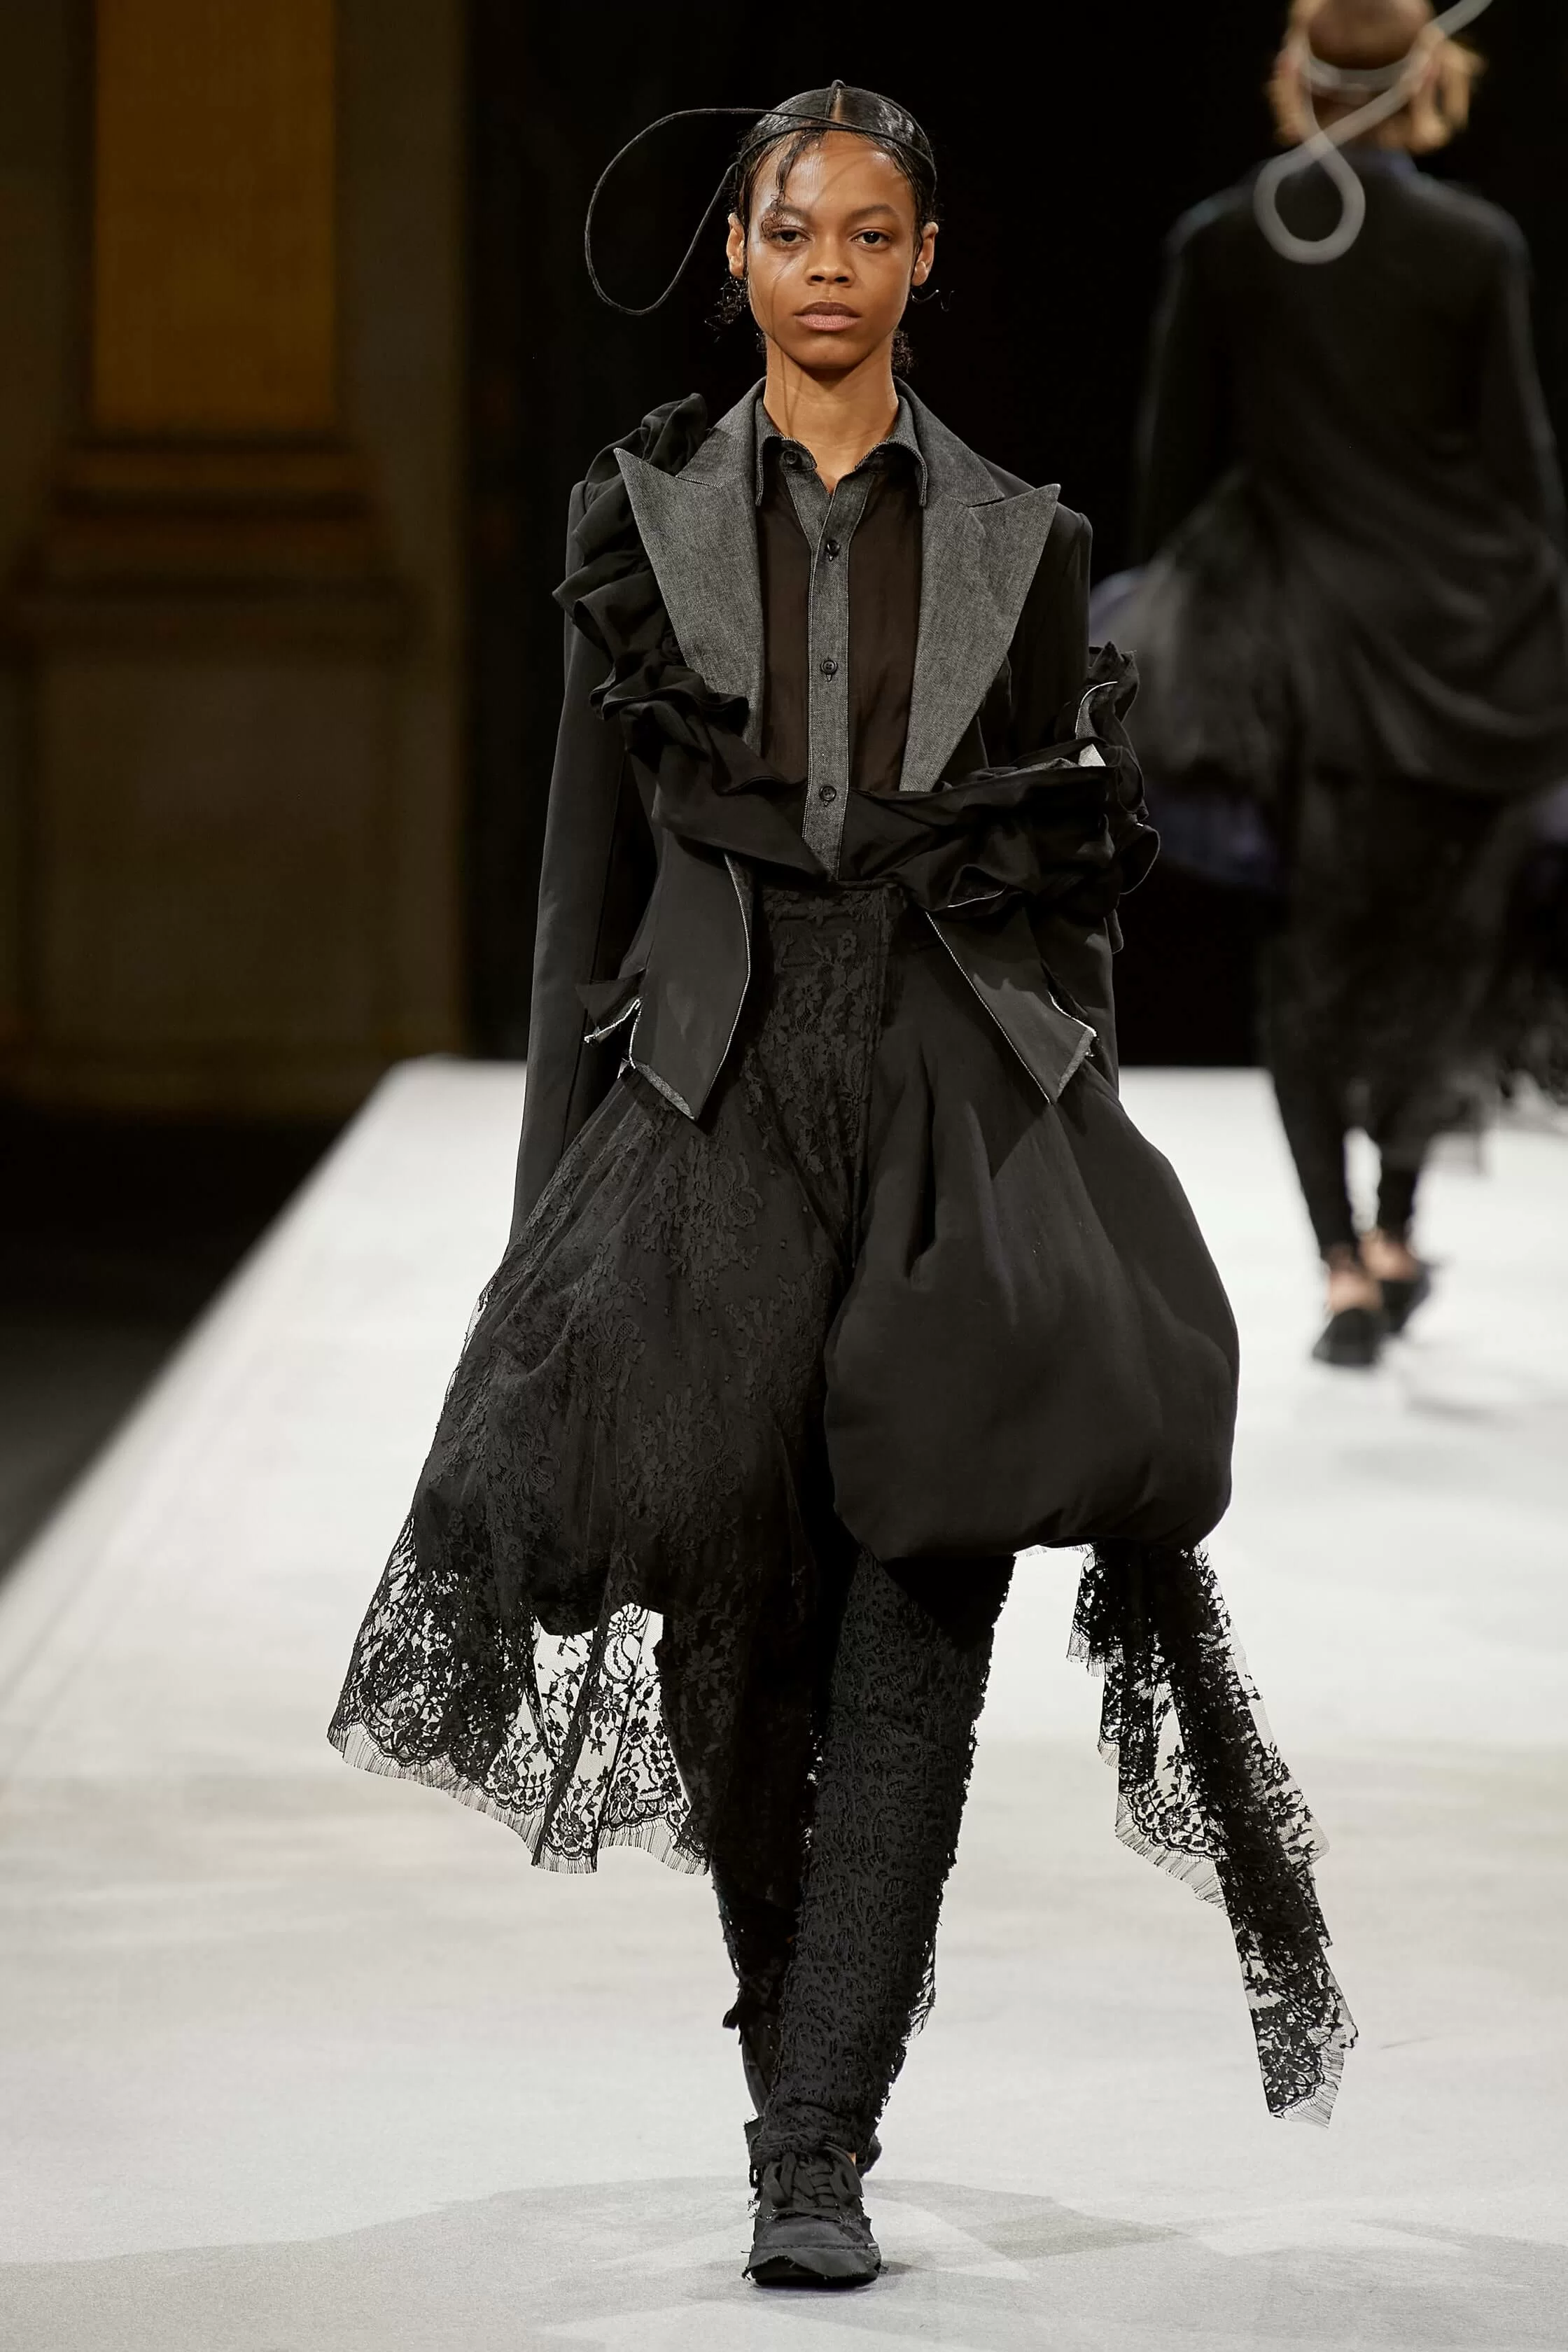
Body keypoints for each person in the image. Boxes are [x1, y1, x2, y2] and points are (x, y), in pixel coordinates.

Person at [330, 83, 1352, 2290]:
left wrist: (1080, 1165)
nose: (827, 269)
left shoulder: (1027, 541)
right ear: (737, 255)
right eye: (793, 231)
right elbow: (576, 896)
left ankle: (819, 2137)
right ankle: (782, 2040)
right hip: (706, 1109)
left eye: (869, 234)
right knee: (730, 1632)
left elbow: (1065, 899)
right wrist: (541, 1239)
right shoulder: (638, 524)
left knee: (919, 1612)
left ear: (922, 263)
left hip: (945, 1099)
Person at [1122, 0, 1568, 1366]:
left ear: (1294, 76)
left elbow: (1174, 460)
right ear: (1427, 77)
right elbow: (1518, 466)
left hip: (1295, 642)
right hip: (1457, 641)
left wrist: (1163, 629)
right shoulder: (1475, 245)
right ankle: (1393, 1222)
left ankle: (1342, 1267)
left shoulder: (1224, 239)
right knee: (1443, 942)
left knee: (1312, 949)